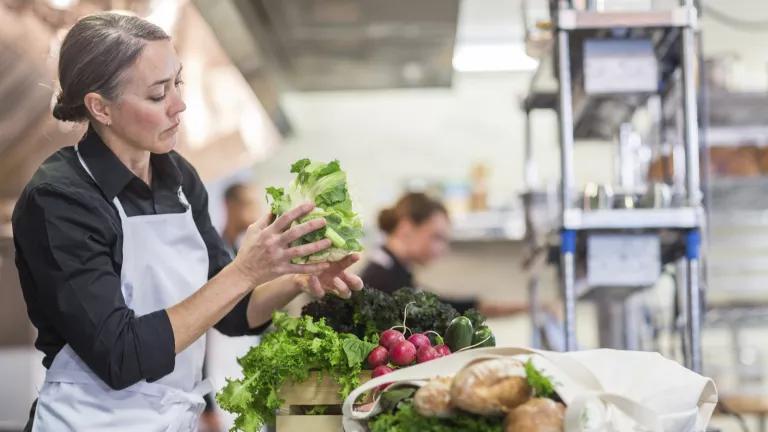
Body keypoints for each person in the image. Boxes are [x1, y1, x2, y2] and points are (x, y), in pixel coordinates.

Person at [12, 13, 362, 432]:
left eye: (178, 82)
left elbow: (228, 313)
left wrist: (290, 275)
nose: (179, 104)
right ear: (100, 107)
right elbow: (119, 356)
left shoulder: (177, 177)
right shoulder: (60, 199)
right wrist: (245, 269)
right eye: (158, 94)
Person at [360, 192, 526, 317]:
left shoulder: (398, 270)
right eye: (437, 237)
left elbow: (443, 305)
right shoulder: (380, 279)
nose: (443, 249)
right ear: (406, 228)